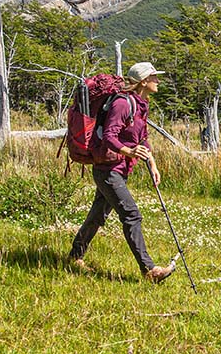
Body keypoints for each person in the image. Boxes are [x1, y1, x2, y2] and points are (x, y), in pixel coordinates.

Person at [69, 62, 175, 283]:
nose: (158, 81)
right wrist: (130, 151)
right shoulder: (122, 104)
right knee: (131, 215)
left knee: (98, 215)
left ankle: (74, 256)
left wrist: (152, 163)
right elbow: (110, 136)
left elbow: (142, 138)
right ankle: (149, 270)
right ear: (143, 81)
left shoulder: (141, 104)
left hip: (118, 168)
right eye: (154, 78)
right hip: (107, 170)